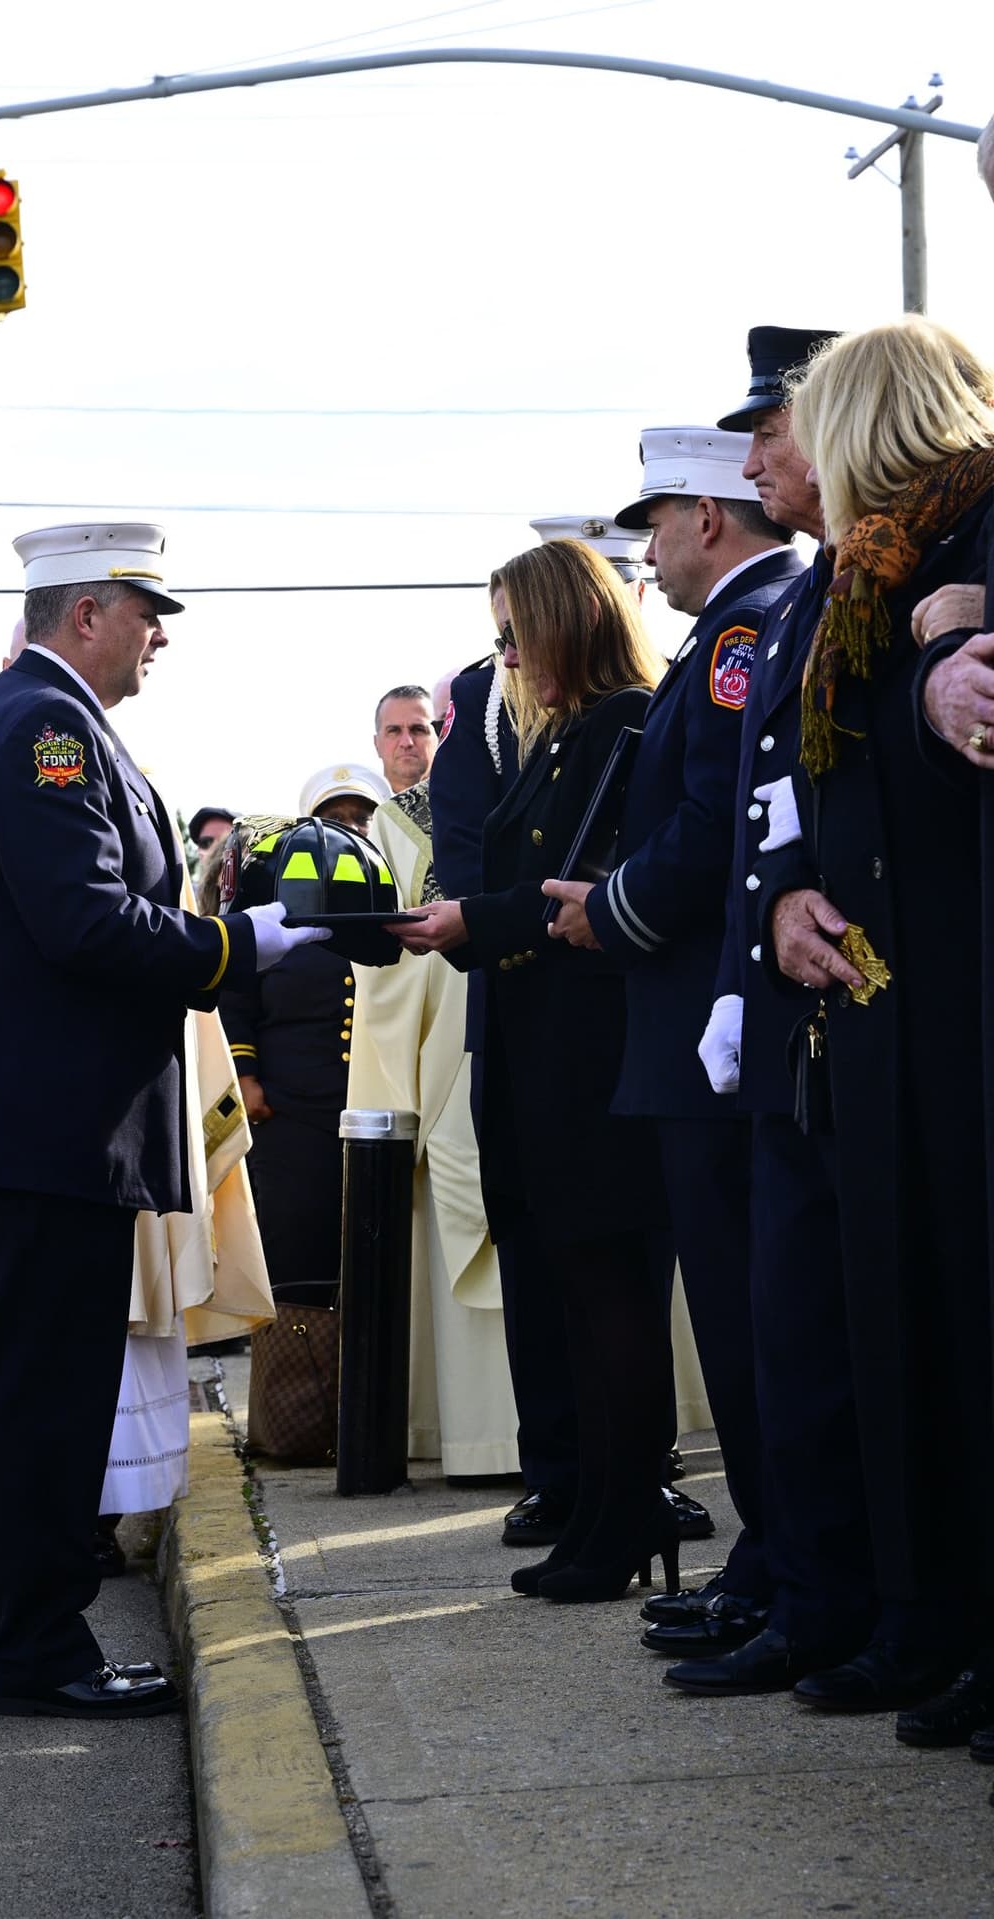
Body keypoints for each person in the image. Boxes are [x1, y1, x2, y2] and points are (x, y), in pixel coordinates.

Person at [0, 522, 327, 1720]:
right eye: (146, 611)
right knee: (35, 1403)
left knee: (41, 1396)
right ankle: (31, 1652)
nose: (159, 635)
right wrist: (235, 944)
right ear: (85, 611)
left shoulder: (54, 721)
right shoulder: (43, 728)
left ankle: (31, 1641)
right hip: (50, 1128)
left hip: (48, 1125)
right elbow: (84, 919)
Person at [760, 319, 994, 1716]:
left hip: (959, 998)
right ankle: (925, 1616)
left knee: (970, 1327)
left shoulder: (971, 540)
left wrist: (947, 657)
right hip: (876, 1009)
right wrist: (786, 895)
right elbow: (811, 782)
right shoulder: (866, 571)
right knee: (899, 1327)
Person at [652, 327, 883, 1695]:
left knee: (828, 1330)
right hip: (788, 1006)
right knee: (791, 1329)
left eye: (768, 433)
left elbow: (735, 821)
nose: (751, 464)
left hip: (857, 1005)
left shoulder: (813, 600)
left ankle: (843, 1592)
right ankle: (806, 1581)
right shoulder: (807, 603)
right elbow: (772, 816)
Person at [545, 429, 804, 1626]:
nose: (645, 555)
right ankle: (768, 1556)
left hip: (715, 1029)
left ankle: (780, 1563)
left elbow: (715, 827)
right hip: (698, 1028)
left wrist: (611, 908)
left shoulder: (745, 633)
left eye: (654, 526)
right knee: (744, 1316)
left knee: (755, 1321)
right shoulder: (727, 636)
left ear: (705, 518)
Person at [395, 539, 680, 1601]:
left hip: (592, 1057)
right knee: (572, 1294)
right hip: (535, 1052)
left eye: (519, 635)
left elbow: (585, 885)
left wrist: (476, 918)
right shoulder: (557, 738)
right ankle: (600, 1511)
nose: (506, 659)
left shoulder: (627, 724)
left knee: (609, 1296)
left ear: (572, 622)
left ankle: (626, 1515)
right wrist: (463, 919)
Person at [346, 754, 520, 1476]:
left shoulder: (569, 768)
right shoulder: (402, 820)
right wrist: (396, 1090)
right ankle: (486, 1438)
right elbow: (387, 965)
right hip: (449, 1047)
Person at [220, 763, 388, 1312]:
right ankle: (296, 1365)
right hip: (290, 1112)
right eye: (335, 818)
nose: (350, 828)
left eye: (361, 817)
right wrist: (246, 1076)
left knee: (374, 1260)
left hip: (373, 1110)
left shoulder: (390, 896)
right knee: (296, 1256)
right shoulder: (277, 899)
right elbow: (237, 997)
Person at [373, 685, 437, 794]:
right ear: (376, 744)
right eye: (394, 731)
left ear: (439, 738)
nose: (406, 743)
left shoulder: (464, 800)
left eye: (418, 729)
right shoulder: (357, 803)